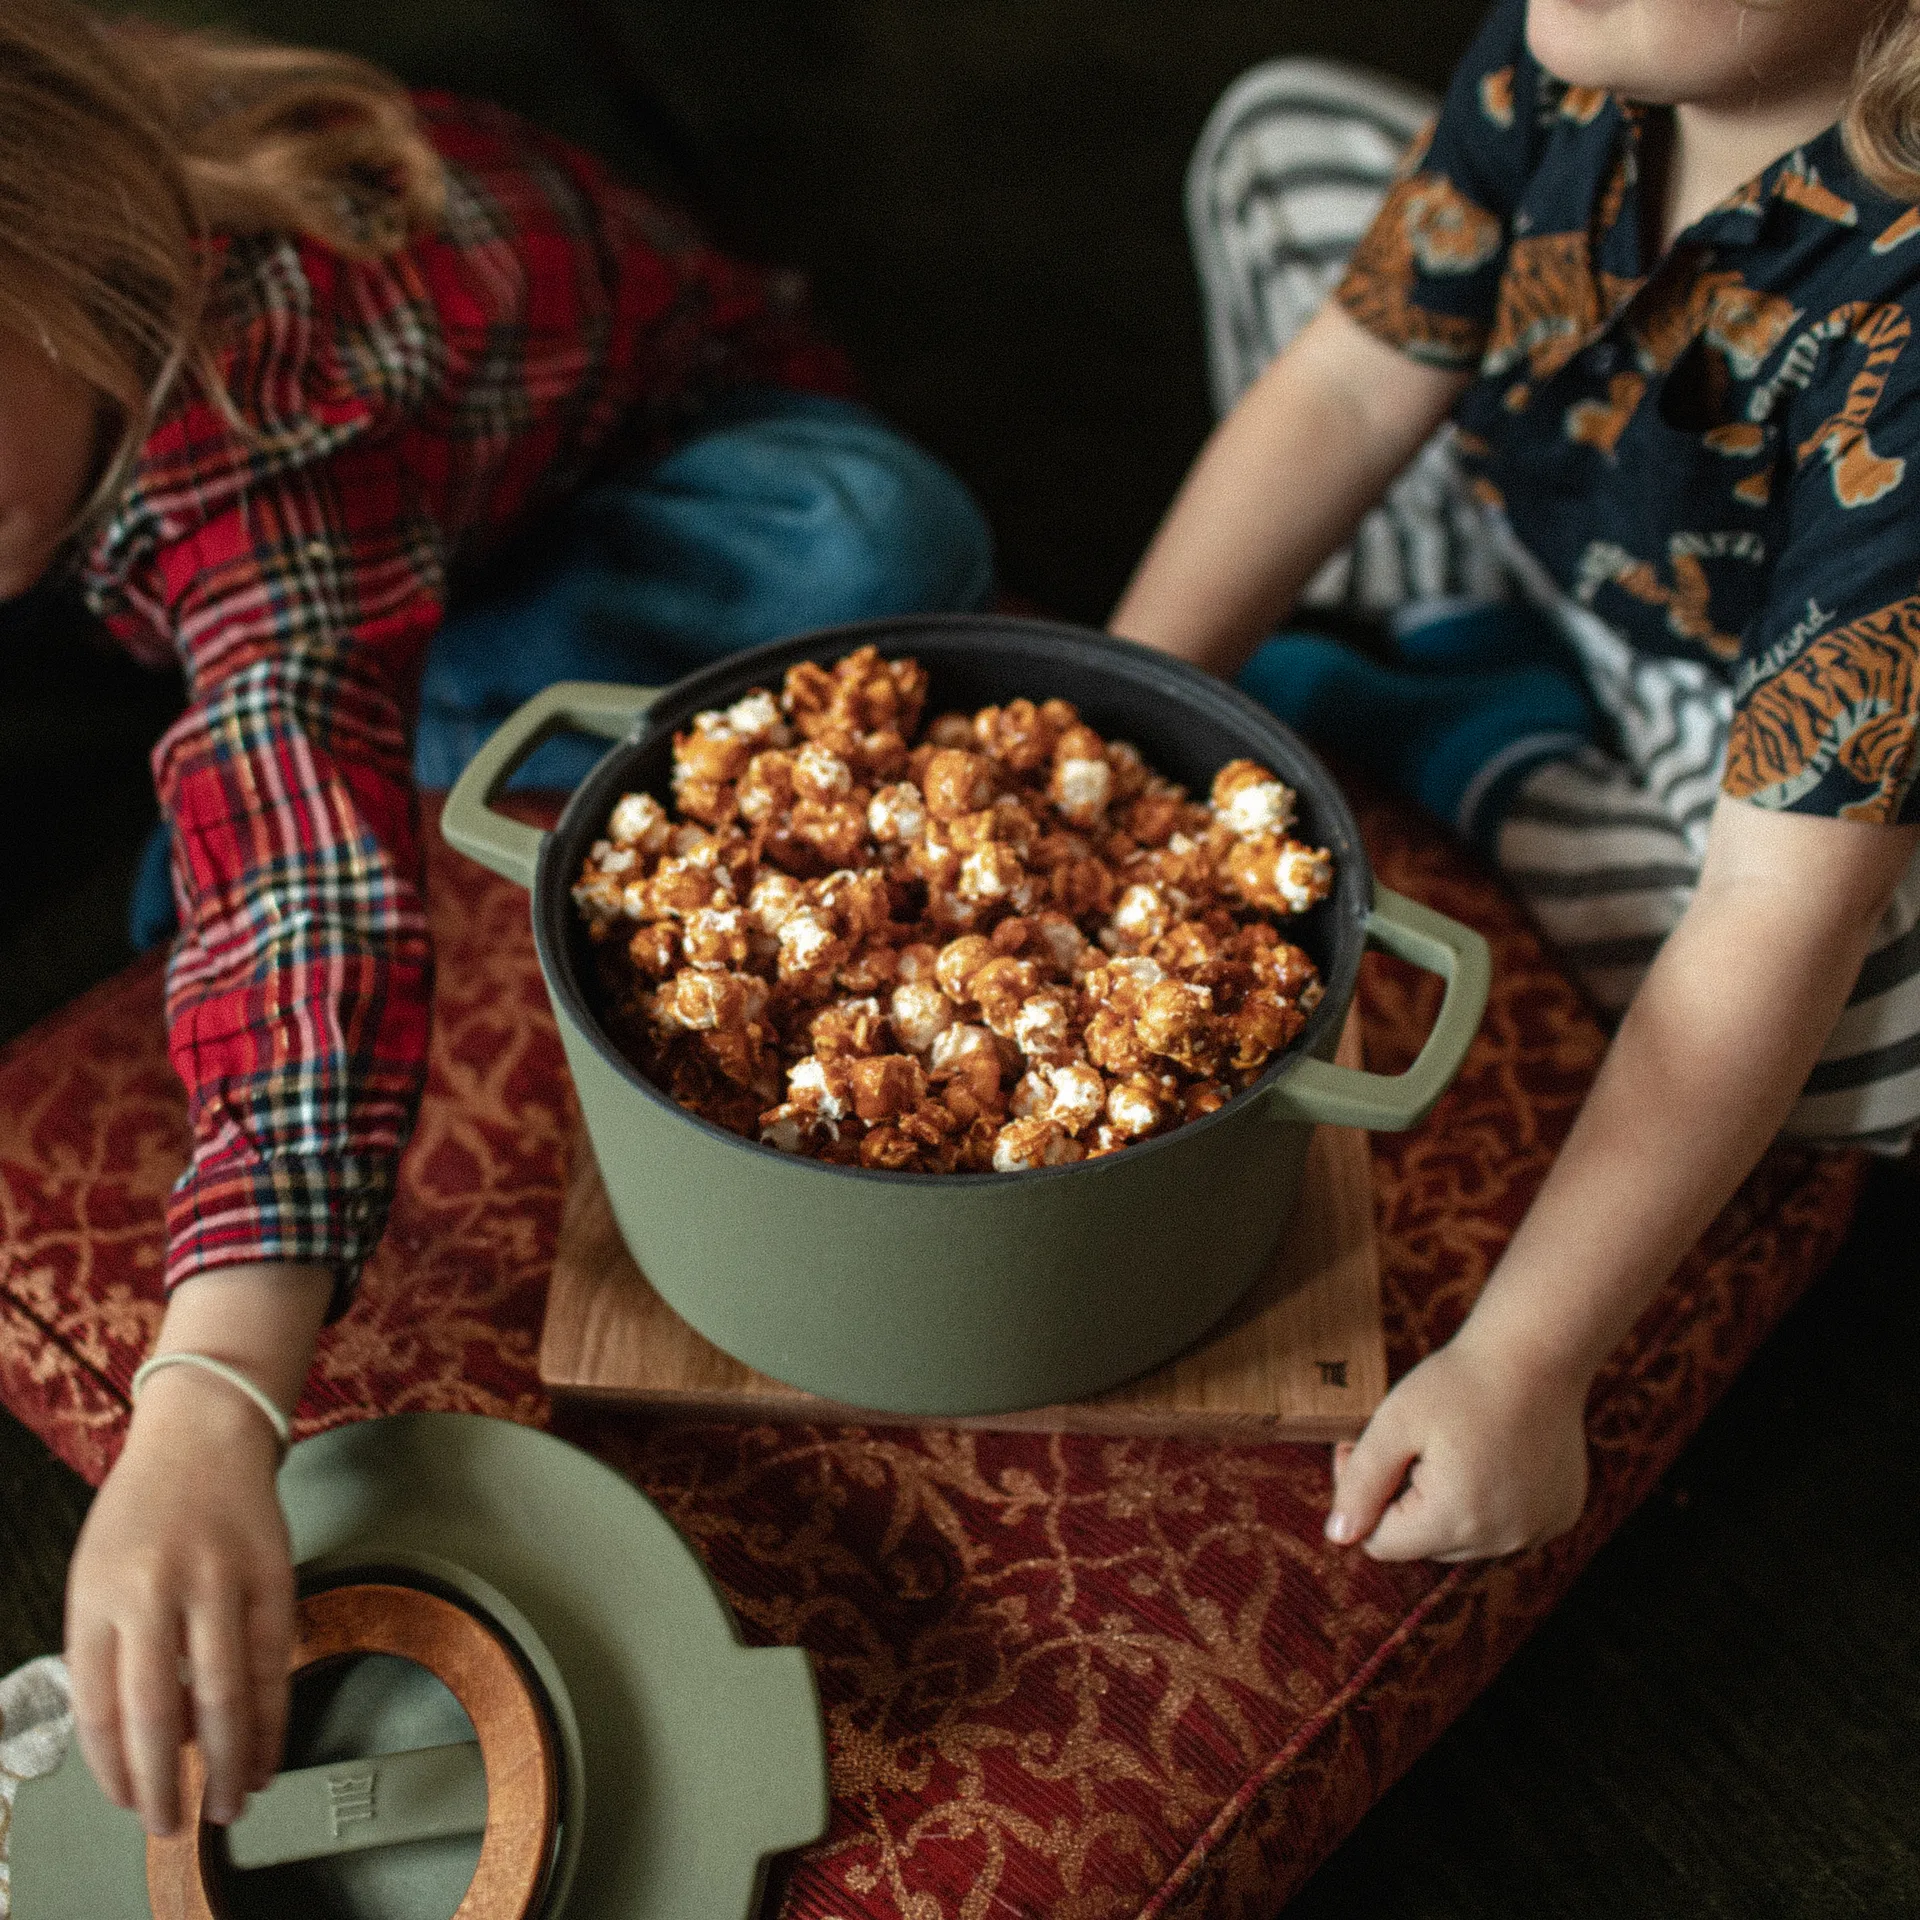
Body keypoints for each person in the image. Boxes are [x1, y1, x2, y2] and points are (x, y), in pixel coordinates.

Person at [0, 0, 991, 1838]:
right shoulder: (70, 258)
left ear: (65, 243)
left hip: (685, 460)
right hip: (383, 548)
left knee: (875, 544)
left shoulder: (262, 399)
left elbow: (301, 894)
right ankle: (395, 724)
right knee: (247, 822)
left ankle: (416, 724)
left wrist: (210, 1392)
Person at [1113, 0, 1920, 1566]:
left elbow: (1770, 904)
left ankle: (1478, 727)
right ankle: (1466, 651)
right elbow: (1347, 390)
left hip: (1743, 683)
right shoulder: (1578, 42)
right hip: (1549, 492)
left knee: (1855, 1022)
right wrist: (1116, 709)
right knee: (1279, 139)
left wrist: (1523, 1359)